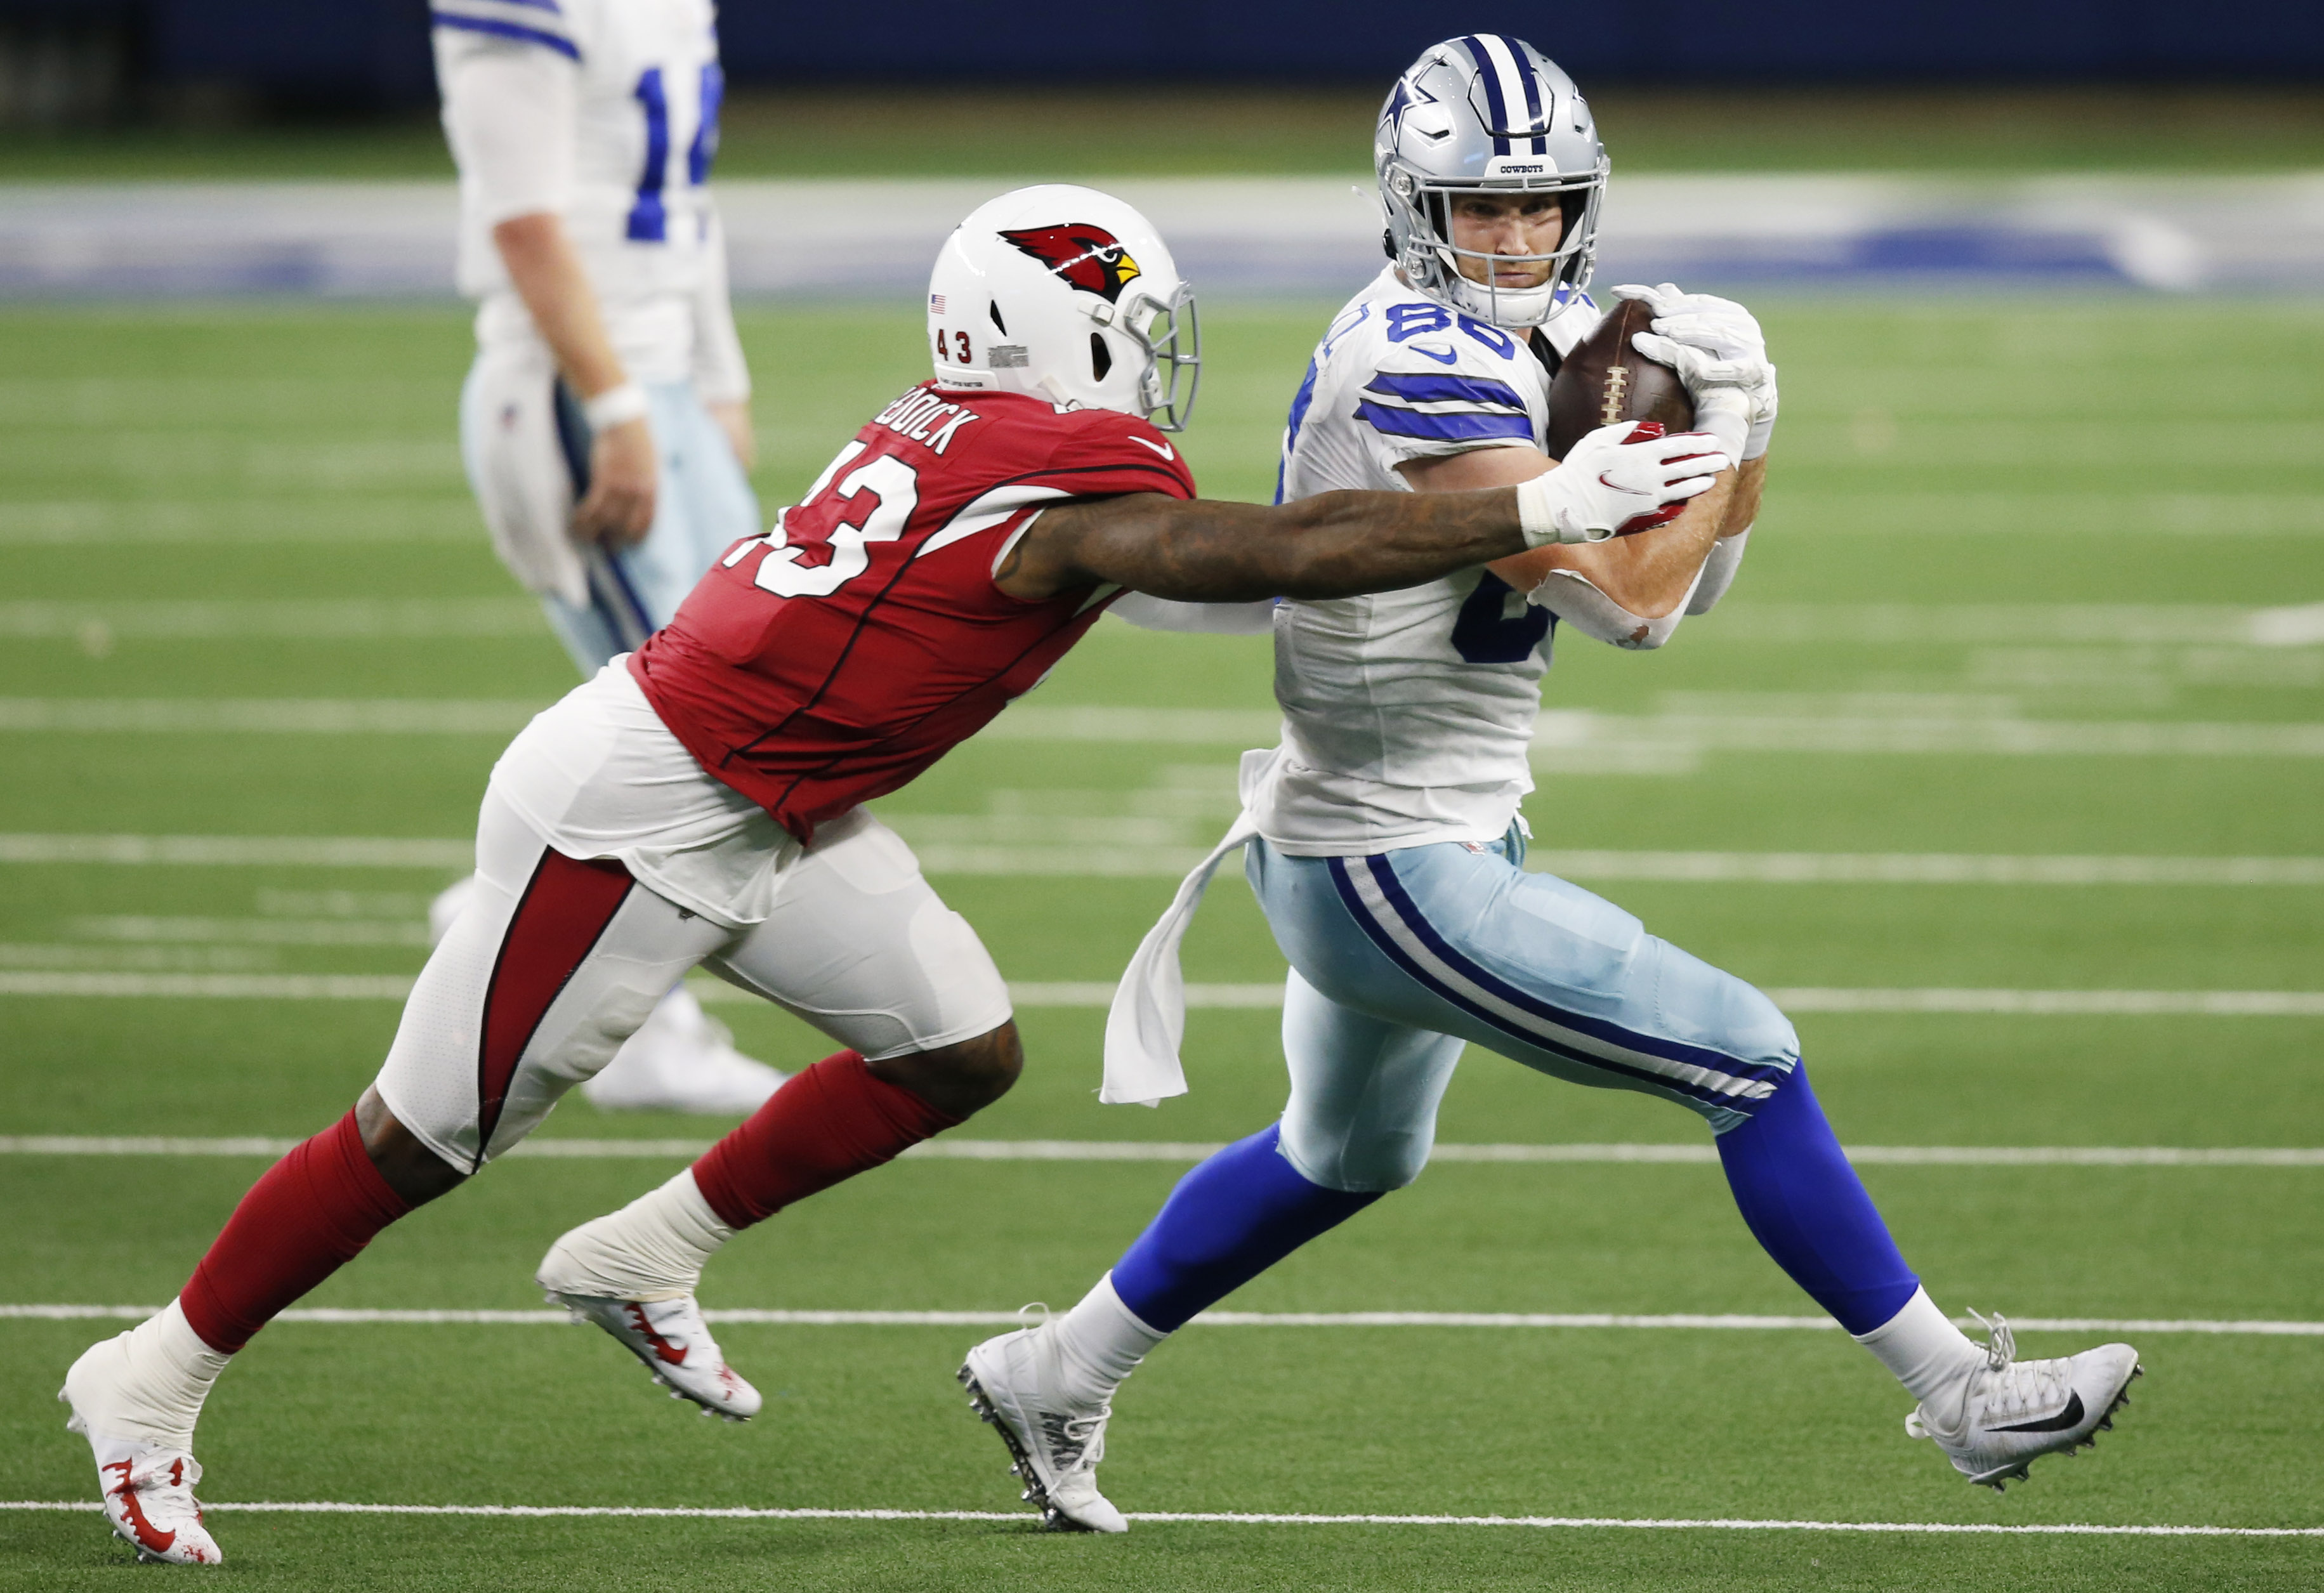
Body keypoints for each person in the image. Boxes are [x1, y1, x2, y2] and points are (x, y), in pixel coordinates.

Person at [55, 183, 1728, 1566]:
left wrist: (1453, 531)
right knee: (418, 1138)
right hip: (640, 813)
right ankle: (150, 1378)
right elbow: (1260, 555)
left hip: (773, 798)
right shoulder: (1061, 475)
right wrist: (1536, 504)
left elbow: (1223, 572)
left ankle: (644, 1252)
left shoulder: (969, 425)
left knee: (956, 1046)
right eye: (1136, 335)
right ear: (1063, 334)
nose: (1156, 364)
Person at [955, 38, 2141, 1535]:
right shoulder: (1416, 356)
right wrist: (1736, 438)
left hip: (1406, 829)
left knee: (1343, 1152)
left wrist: (1737, 450)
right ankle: (1956, 1390)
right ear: (1408, 207)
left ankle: (1055, 1366)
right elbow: (1625, 605)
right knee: (1747, 1056)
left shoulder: (1566, 333)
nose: (1514, 241)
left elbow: (1690, 590)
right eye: (1476, 211)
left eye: (1538, 207)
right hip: (1389, 856)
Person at [428, 0, 779, 1113]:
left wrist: (712, 380)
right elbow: (520, 217)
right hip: (575, 388)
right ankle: (636, 1025)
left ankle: (495, 919)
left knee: (736, 718)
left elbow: (684, 203)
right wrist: (619, 402)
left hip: (656, 382)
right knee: (698, 739)